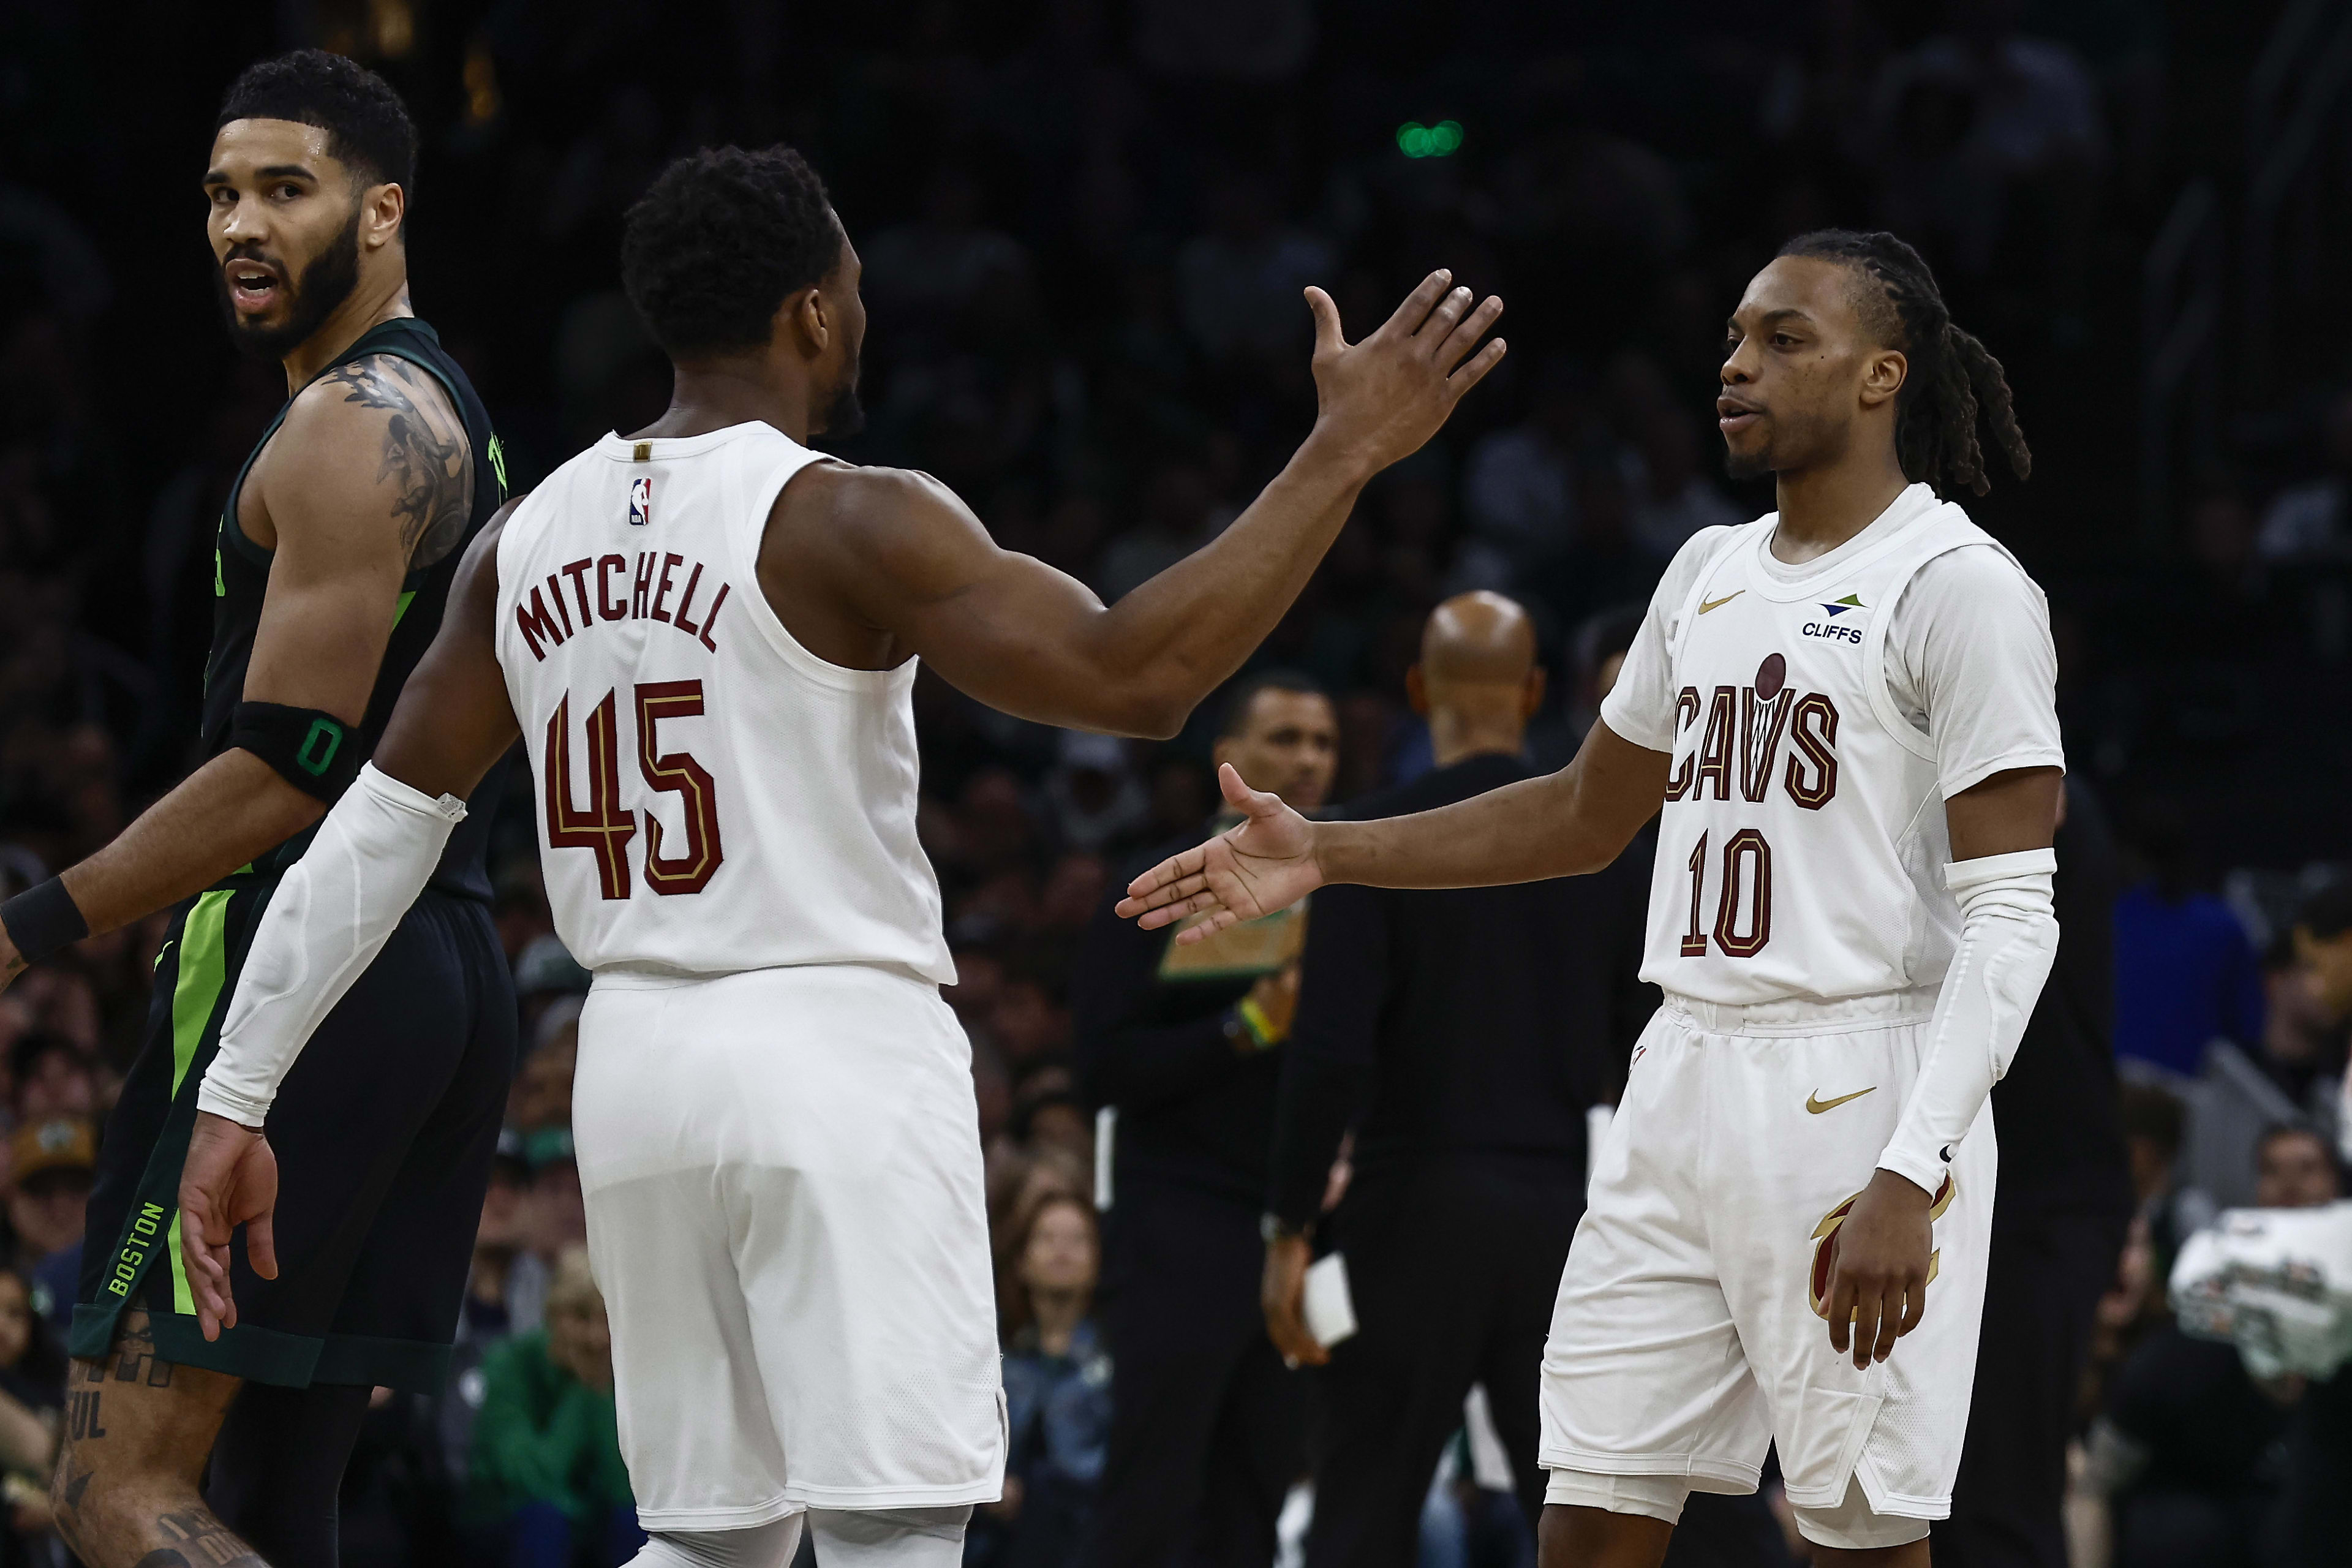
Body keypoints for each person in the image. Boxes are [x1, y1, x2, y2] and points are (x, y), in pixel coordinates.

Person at [178, 143, 1504, 1568]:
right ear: (814, 312)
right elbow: (1144, 674)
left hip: (636, 1069)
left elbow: (375, 831)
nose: (861, 319)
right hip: (825, 1044)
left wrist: (234, 1091)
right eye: (856, 292)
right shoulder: (845, 513)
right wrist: (1343, 451)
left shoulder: (523, 537)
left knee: (710, 1541)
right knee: (893, 1531)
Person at [1121, 228, 2063, 1567]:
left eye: (1785, 338)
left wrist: (1913, 1171)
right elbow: (1576, 815)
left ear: (1883, 376)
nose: (1736, 365)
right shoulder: (1704, 573)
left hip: (1861, 1080)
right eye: (1735, 337)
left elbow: (2015, 920)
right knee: (1589, 1509)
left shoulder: (1959, 588)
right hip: (1681, 1071)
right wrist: (1329, 850)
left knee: (1858, 1533)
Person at [0, 51, 516, 1568]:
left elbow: (289, 764)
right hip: (435, 957)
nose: (241, 222)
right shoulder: (449, 413)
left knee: (117, 1495)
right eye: (222, 193)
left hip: (305, 963)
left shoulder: (353, 428)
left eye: (286, 190)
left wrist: (31, 924)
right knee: (272, 1503)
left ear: (382, 210)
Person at [1257, 591, 1649, 1567]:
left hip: (1409, 1213)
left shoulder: (1360, 838)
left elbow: (1331, 1053)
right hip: (1562, 1219)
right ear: (1536, 691)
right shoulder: (1606, 851)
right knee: (1589, 1515)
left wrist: (1290, 1226)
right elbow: (1648, 1051)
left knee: (1361, 1515)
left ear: (1420, 688)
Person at [1072, 669, 1338, 1568]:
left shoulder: (1353, 896)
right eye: (1285, 737)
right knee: (1154, 1487)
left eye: (1323, 742)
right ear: (1230, 759)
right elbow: (1102, 1070)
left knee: (1261, 1488)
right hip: (1179, 1227)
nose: (1307, 758)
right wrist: (1249, 1026)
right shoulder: (1158, 887)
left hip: (1302, 1231)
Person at [1930, 779, 2133, 1568]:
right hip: (1962, 1180)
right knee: (1915, 1493)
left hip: (2041, 1195)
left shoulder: (2037, 787)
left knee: (1999, 1494)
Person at [467, 1245, 637, 1568]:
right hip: (504, 1522)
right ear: (553, 1313)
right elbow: (533, 1481)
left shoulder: (621, 1374)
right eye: (581, 1317)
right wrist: (585, 1392)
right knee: (545, 1521)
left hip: (586, 1526)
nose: (596, 1337)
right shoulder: (511, 1365)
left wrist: (598, 1393)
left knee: (632, 1523)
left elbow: (624, 1489)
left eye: (608, 1319)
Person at [974, 1191, 1112, 1568]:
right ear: (1021, 1260)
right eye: (1047, 1238)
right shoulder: (995, 1358)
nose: (1062, 1251)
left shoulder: (1119, 1365)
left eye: (1077, 1239)